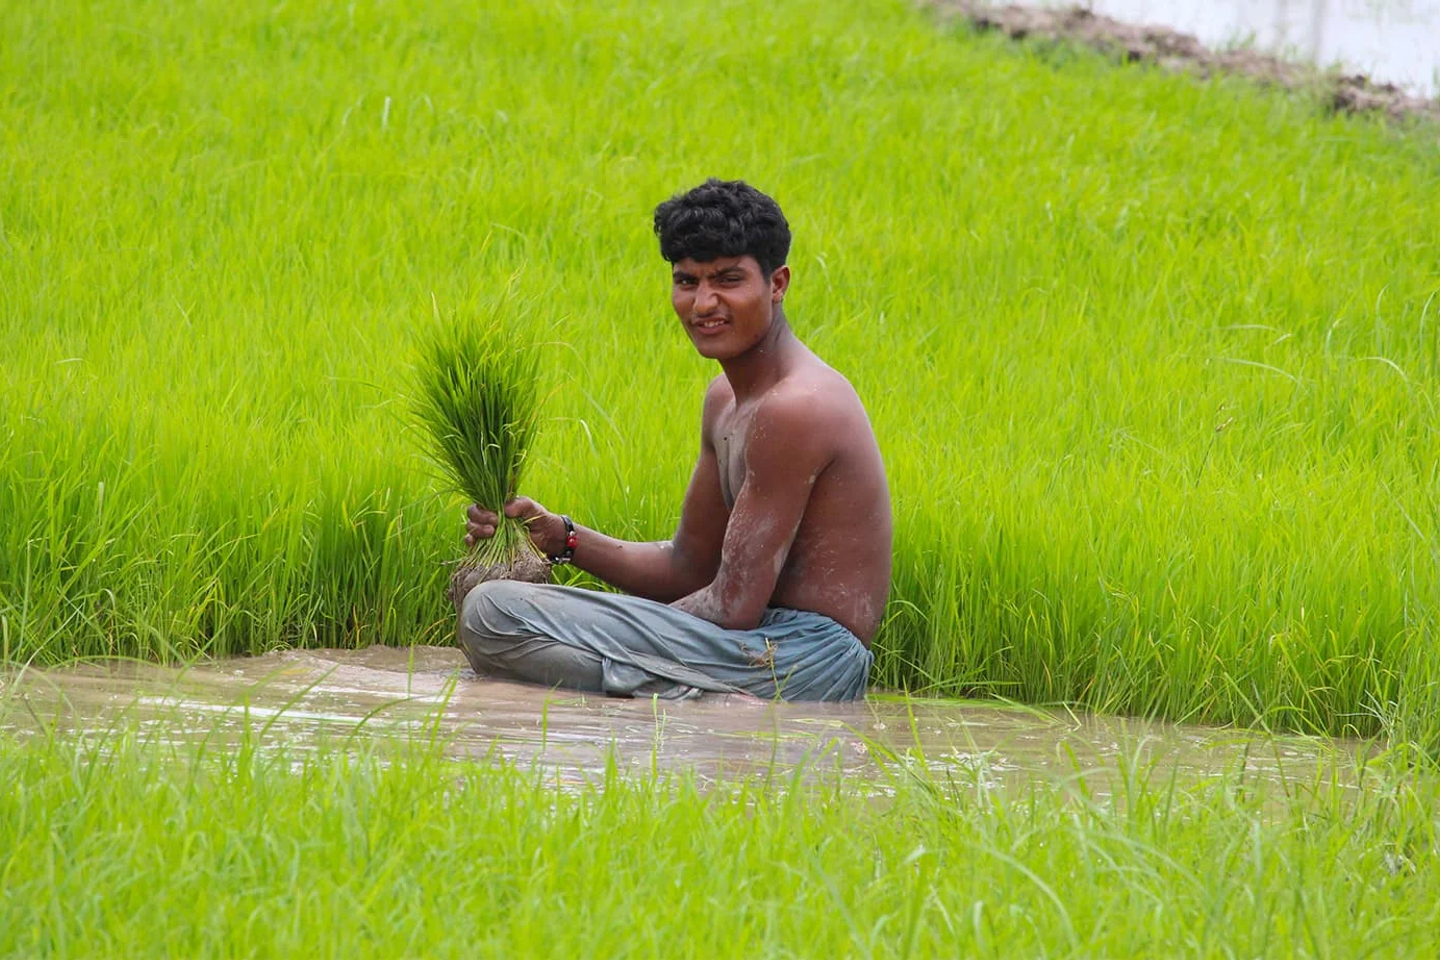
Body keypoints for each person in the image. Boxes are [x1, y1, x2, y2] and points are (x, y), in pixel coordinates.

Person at [455, 178, 892, 700]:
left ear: (777, 284)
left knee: (493, 611)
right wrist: (563, 537)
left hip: (800, 660)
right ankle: (687, 702)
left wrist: (604, 623)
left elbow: (732, 608)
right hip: (747, 644)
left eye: (728, 280)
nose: (705, 303)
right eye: (688, 281)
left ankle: (699, 701)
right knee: (504, 614)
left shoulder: (794, 408)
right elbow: (687, 566)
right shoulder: (725, 401)